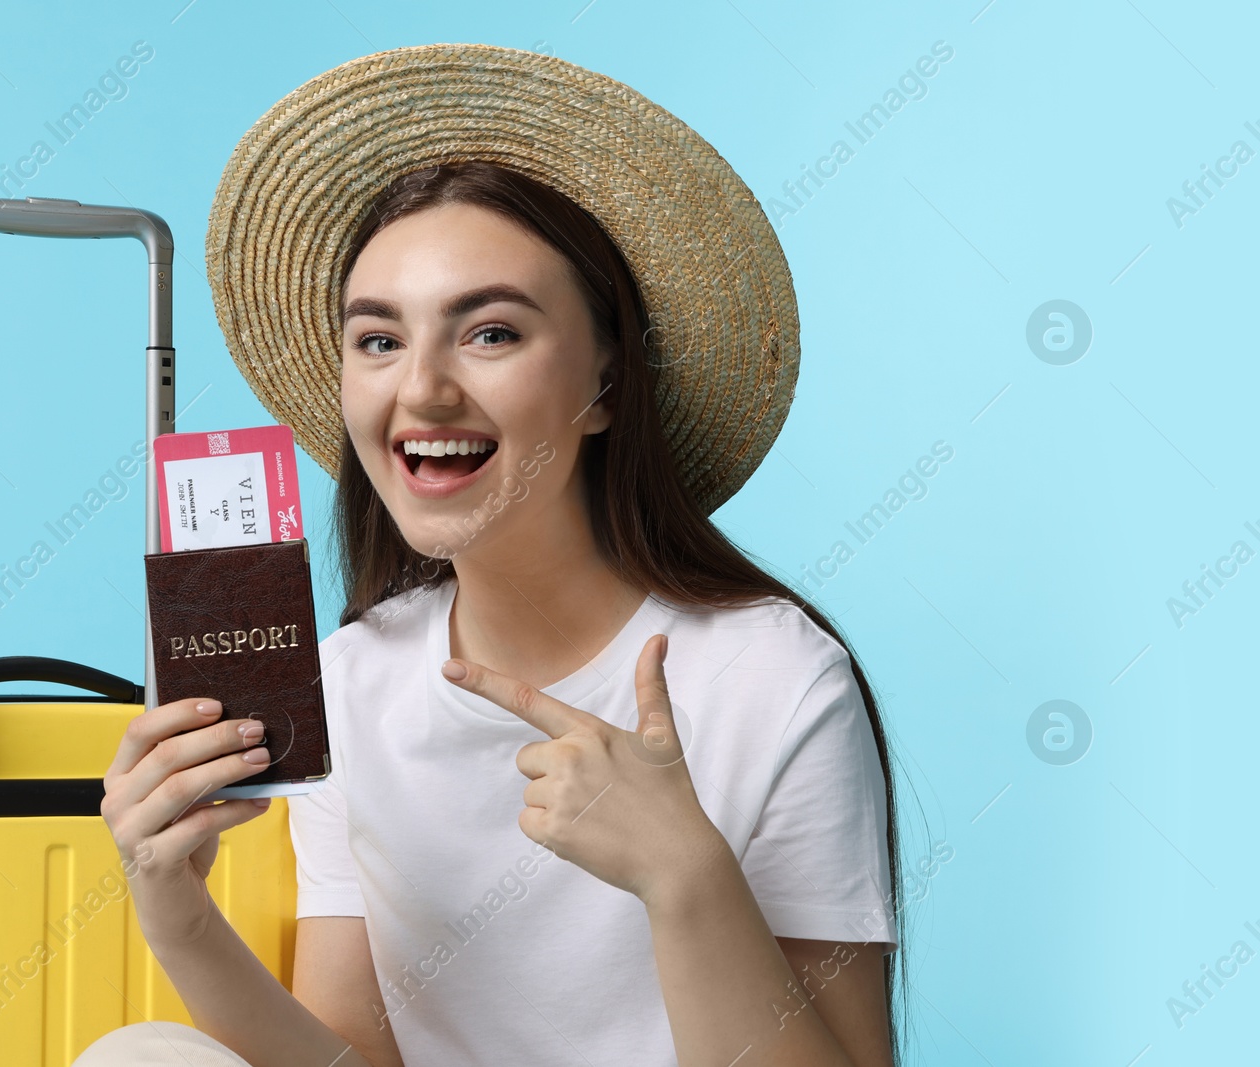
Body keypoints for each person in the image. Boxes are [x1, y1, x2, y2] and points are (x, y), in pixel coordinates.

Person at [77, 43, 904, 1067]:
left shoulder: (773, 680)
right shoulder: (347, 683)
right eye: (378, 341)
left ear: (605, 382)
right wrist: (175, 911)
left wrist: (684, 872)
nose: (420, 390)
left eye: (492, 333)